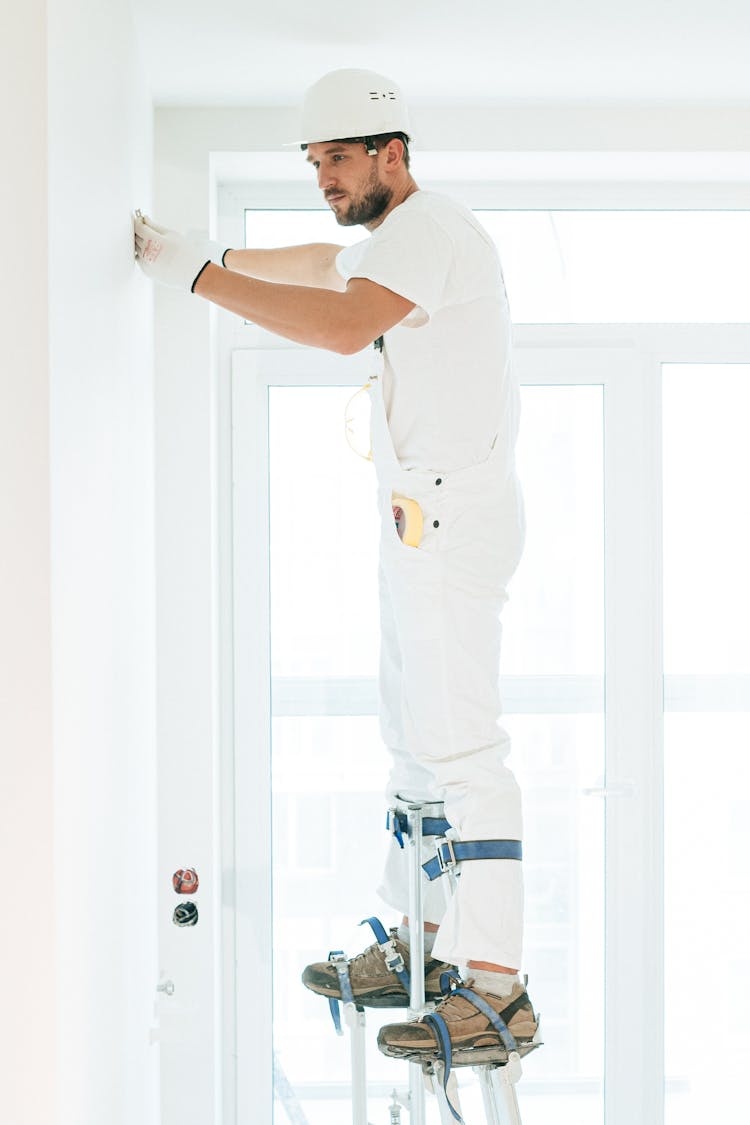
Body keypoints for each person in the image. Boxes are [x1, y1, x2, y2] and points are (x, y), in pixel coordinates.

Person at [134, 66, 539, 1068]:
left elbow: (339, 323)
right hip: (421, 521)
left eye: (337, 162)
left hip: (452, 521)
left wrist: (197, 279)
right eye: (313, 164)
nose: (324, 180)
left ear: (391, 153)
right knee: (412, 746)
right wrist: (219, 250)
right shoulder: (397, 238)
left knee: (462, 757)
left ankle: (499, 993)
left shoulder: (435, 232)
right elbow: (324, 265)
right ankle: (427, 939)